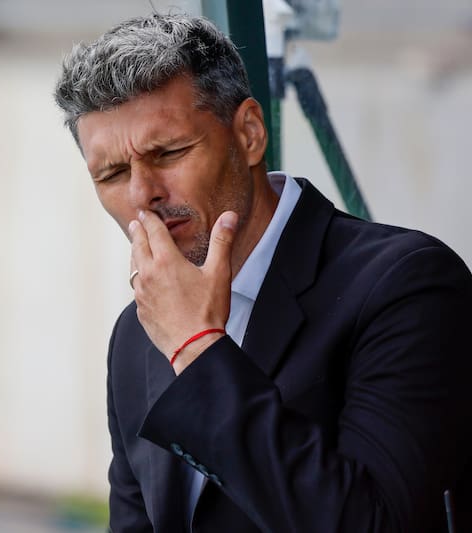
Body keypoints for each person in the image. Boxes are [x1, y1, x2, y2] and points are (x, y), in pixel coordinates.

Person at [54, 12, 472, 533]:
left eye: (169, 153)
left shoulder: (407, 287)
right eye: (113, 174)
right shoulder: (136, 333)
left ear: (249, 133)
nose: (143, 195)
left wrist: (197, 349)